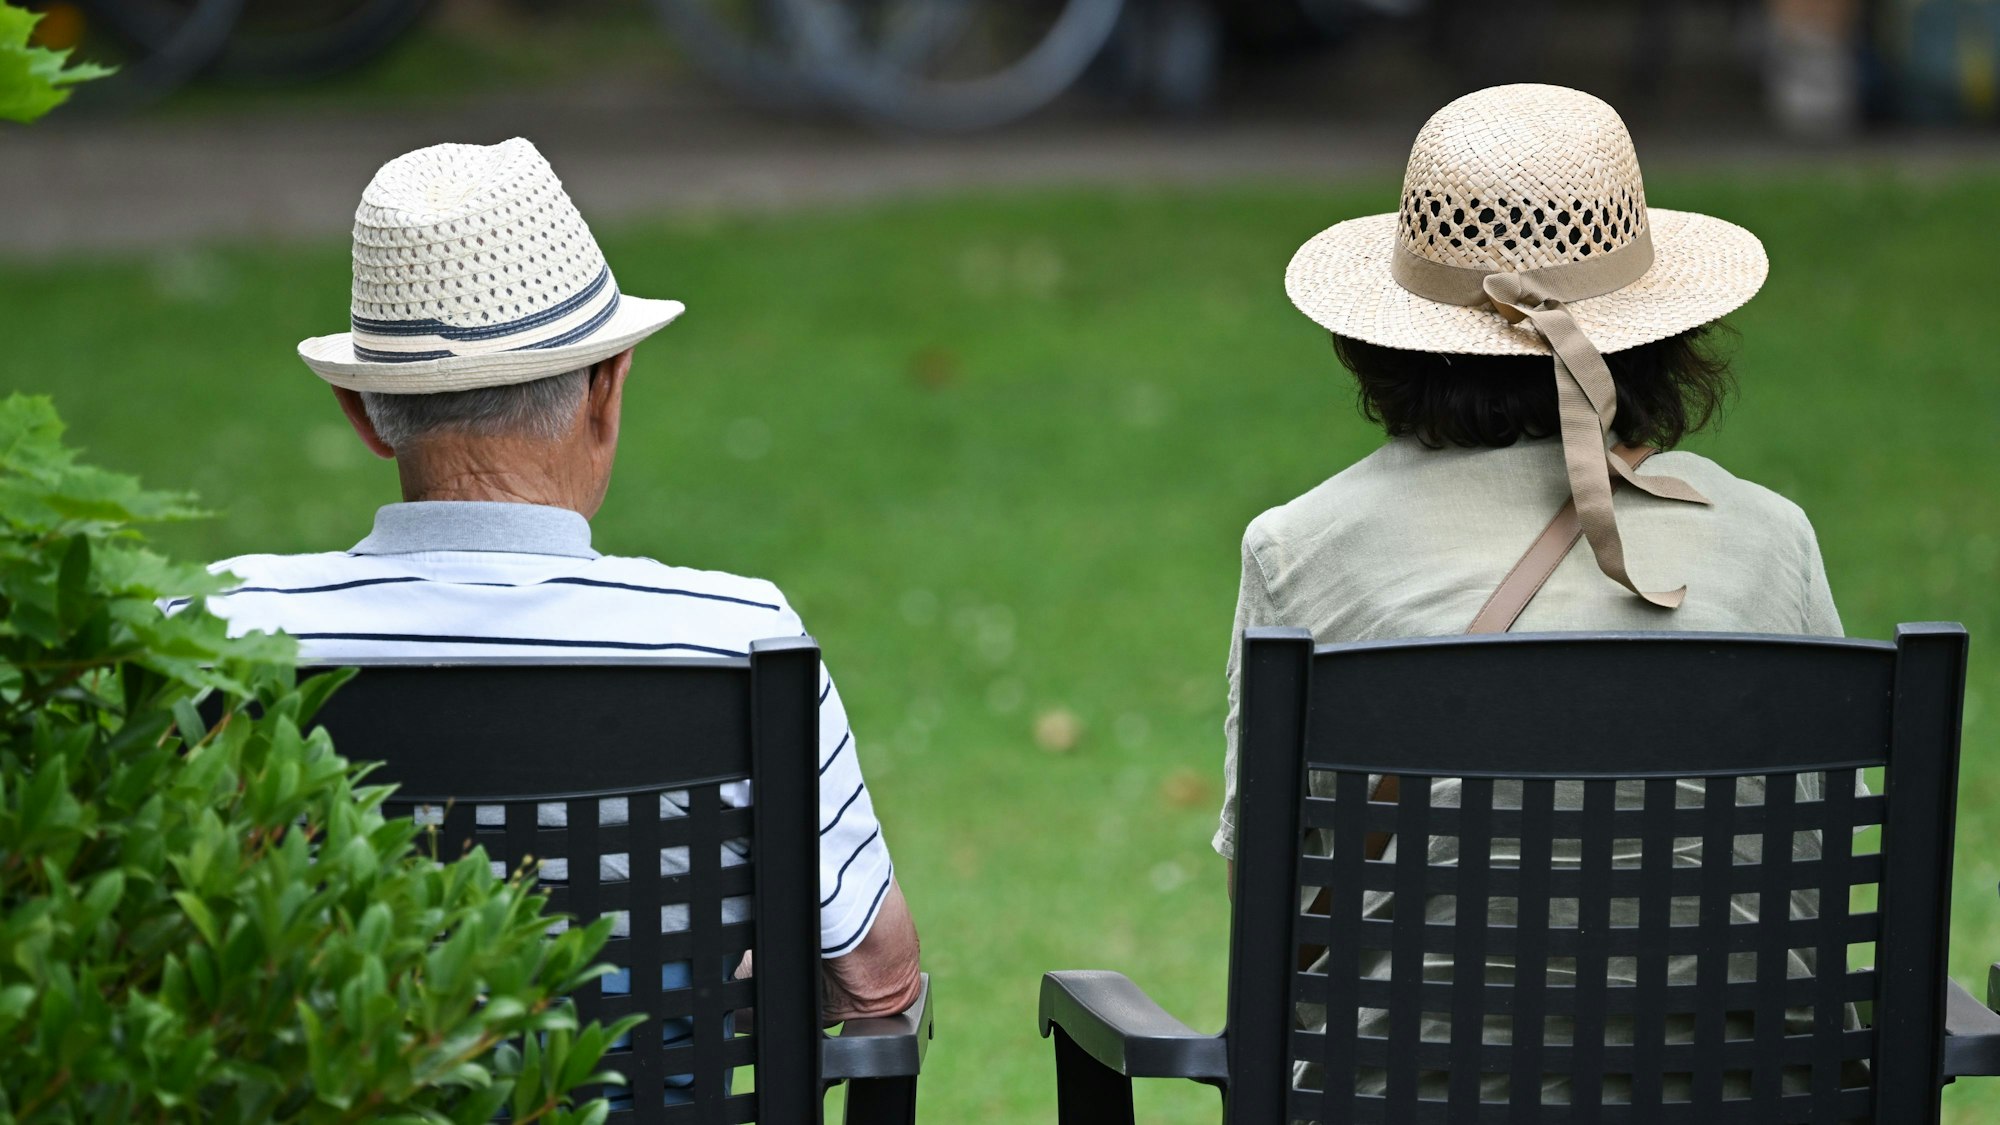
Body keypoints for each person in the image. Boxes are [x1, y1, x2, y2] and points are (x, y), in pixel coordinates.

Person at [190, 139, 922, 1083]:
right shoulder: (737, 640)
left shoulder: (218, 629)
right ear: (606, 390)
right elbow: (875, 984)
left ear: (363, 413)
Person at [1212, 84, 1848, 1107]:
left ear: (1386, 336)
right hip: (1736, 1089)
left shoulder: (1302, 552)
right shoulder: (1767, 542)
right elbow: (1808, 878)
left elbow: (1273, 901)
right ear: (1653, 331)